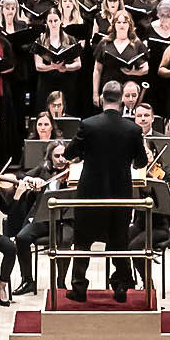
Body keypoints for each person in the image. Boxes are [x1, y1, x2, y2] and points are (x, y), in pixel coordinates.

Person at [63, 78, 154, 298]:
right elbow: (141, 163)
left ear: (102, 98)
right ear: (122, 99)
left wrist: (86, 154)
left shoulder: (88, 124)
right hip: (120, 194)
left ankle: (79, 288)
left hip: (89, 193)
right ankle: (121, 287)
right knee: (119, 240)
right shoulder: (133, 129)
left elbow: (68, 154)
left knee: (83, 240)